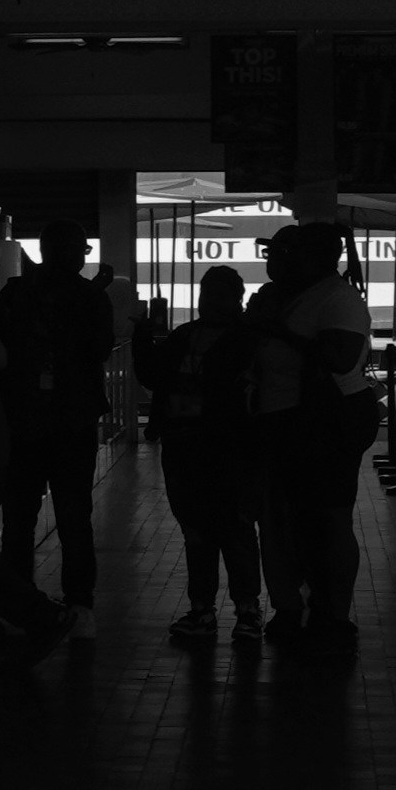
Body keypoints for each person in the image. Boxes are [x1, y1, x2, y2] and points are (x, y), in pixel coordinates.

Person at [251, 219, 379, 667]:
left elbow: (340, 356)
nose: (273, 263)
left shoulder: (337, 298)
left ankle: (333, 616)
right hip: (287, 420)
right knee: (285, 521)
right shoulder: (291, 296)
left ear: (316, 258)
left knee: (326, 520)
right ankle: (294, 606)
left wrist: (273, 329)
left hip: (326, 421)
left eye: (284, 254)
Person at [0, 218, 118, 638]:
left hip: (22, 421)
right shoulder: (90, 297)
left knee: (18, 519)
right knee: (73, 517)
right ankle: (80, 606)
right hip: (72, 421)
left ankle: (16, 604)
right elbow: (100, 348)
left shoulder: (15, 293)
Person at [154, 261, 266, 650]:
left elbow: (155, 378)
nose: (210, 304)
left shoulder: (189, 336)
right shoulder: (248, 339)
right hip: (219, 446)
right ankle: (245, 610)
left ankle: (207, 609)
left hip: (200, 445)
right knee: (227, 529)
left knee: (204, 531)